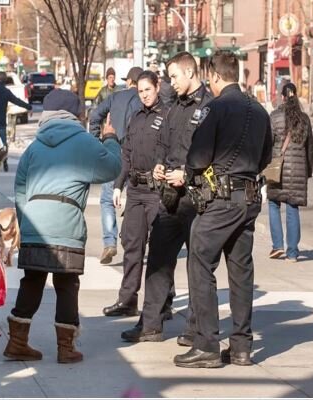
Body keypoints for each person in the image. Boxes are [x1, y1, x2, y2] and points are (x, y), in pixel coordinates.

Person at [3, 89, 121, 364]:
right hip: (66, 222)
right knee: (67, 284)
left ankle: (17, 342)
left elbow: (20, 188)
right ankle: (66, 348)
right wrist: (111, 139)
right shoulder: (83, 142)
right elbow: (112, 168)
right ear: (74, 114)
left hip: (35, 221)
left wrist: (26, 222)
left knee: (32, 281)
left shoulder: (35, 145)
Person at [174, 50, 272, 368]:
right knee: (241, 271)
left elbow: (198, 158)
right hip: (250, 198)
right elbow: (266, 157)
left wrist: (192, 171)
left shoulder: (214, 108)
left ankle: (207, 344)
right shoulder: (259, 110)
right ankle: (241, 346)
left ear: (215, 76)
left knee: (200, 260)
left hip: (222, 200)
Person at [121, 51, 213, 342]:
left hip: (197, 196)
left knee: (197, 265)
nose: (171, 83)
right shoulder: (174, 107)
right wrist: (160, 163)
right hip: (170, 196)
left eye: (174, 77)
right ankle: (150, 323)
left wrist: (187, 173)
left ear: (190, 72)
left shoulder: (210, 107)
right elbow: (164, 142)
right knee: (158, 258)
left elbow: (213, 152)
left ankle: (195, 328)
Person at [105, 70, 168, 319]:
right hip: (136, 190)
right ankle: (127, 299)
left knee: (160, 250)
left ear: (157, 87)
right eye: (140, 91)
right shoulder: (136, 117)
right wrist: (118, 185)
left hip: (157, 191)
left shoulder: (167, 115)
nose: (144, 95)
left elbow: (170, 149)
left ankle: (164, 301)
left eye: (148, 90)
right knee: (132, 245)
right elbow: (126, 154)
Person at [89, 66, 143, 266]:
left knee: (107, 200)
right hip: (139, 155)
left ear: (129, 81)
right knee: (137, 198)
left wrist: (96, 140)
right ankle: (134, 240)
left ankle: (110, 242)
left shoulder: (115, 98)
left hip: (114, 151)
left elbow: (95, 116)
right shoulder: (146, 99)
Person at [267, 82, 313, 262]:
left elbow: (268, 143)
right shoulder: (304, 119)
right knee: (292, 208)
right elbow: (309, 148)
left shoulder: (275, 116)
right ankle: (293, 253)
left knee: (273, 204)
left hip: (278, 170)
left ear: (283, 96)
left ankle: (278, 246)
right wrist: (307, 172)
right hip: (298, 171)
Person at [0, 71, 32, 171]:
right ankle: (4, 161)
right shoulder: (6, 91)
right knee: (3, 142)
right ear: (5, 80)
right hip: (1, 121)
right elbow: (16, 100)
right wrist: (28, 107)